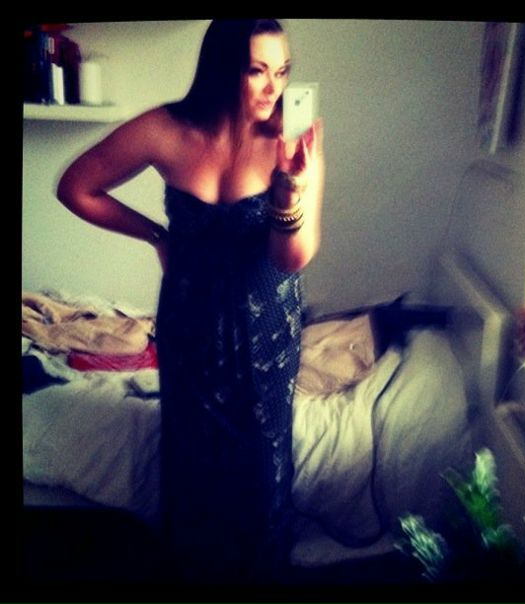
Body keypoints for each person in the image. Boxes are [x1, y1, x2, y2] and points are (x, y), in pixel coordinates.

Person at [56, 19, 324, 584]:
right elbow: (76, 186)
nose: (273, 87)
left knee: (262, 469)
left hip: (266, 332)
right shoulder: (166, 129)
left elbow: (293, 257)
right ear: (224, 68)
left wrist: (288, 192)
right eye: (257, 70)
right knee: (192, 461)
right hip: (189, 325)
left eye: (282, 72)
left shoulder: (291, 140)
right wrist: (157, 235)